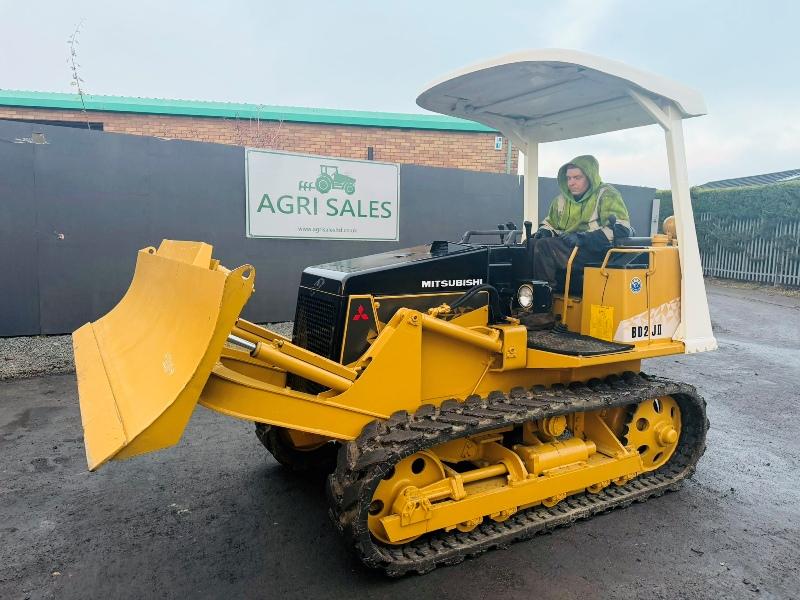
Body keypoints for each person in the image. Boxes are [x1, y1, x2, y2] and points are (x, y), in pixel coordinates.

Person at [530, 155, 633, 289]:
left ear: (590, 177)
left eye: (577, 178)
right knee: (530, 244)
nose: (571, 183)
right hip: (570, 248)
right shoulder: (561, 200)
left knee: (545, 246)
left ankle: (544, 299)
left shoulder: (607, 195)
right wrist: (544, 231)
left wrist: (583, 238)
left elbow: (621, 228)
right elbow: (551, 223)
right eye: (569, 178)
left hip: (597, 251)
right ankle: (525, 296)